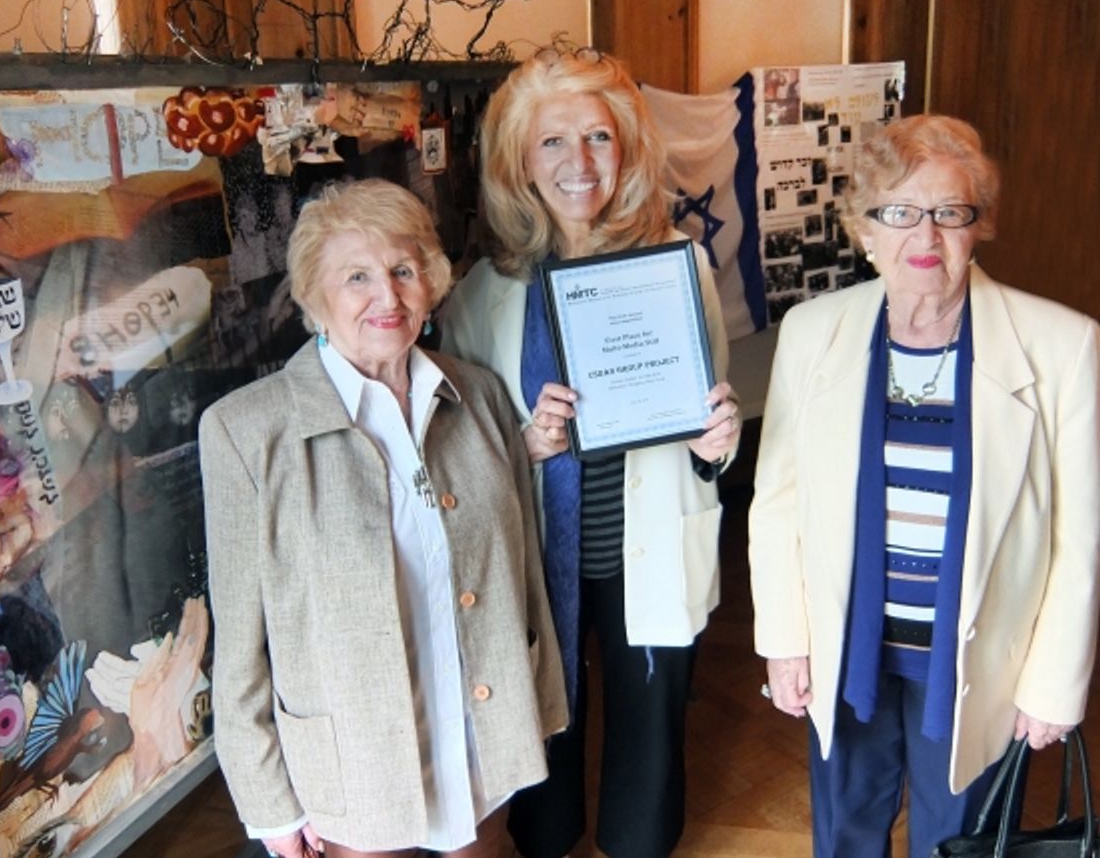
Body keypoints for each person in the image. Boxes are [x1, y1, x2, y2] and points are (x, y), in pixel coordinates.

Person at [749, 114, 1100, 858]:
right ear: (864, 228)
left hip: (977, 659)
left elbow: (1080, 536)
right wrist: (785, 640)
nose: (926, 237)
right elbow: (777, 502)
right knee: (845, 830)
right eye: (900, 213)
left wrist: (1053, 684)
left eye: (949, 213)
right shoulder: (813, 332)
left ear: (981, 226)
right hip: (849, 648)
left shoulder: (1064, 346)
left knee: (961, 839)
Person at [199, 178, 567, 858]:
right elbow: (240, 643)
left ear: (430, 279)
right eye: (357, 277)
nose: (387, 297)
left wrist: (534, 711)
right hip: (352, 775)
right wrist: (268, 805)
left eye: (403, 270)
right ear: (315, 296)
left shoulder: (477, 394)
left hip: (477, 745)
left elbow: (524, 578)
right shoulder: (245, 433)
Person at [440, 49, 741, 858]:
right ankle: (546, 833)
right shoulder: (480, 296)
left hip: (647, 547)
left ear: (629, 149)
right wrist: (524, 444)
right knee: (542, 717)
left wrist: (717, 441)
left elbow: (709, 412)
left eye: (599, 138)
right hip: (540, 556)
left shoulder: (682, 267)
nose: (579, 164)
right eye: (553, 143)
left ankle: (639, 839)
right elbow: (459, 461)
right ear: (517, 164)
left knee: (650, 735)